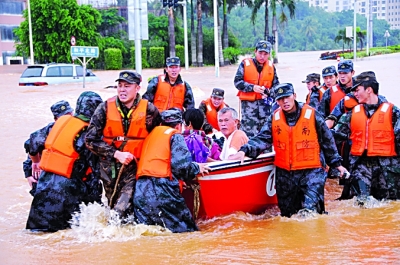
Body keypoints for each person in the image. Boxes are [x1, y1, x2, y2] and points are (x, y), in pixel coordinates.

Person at [229, 83, 348, 217]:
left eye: (287, 97)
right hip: (286, 175)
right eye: (280, 99)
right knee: (288, 217)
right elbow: (263, 138)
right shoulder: (274, 118)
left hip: (311, 172)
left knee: (311, 214)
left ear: (294, 96)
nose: (284, 101)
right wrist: (244, 150)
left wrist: (337, 164)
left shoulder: (312, 114)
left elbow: (327, 140)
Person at [85, 70, 161, 218]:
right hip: (109, 170)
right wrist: (116, 154)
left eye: (127, 86)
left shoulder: (150, 110)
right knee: (115, 208)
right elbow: (90, 140)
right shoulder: (104, 108)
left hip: (135, 168)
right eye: (120, 85)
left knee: (121, 209)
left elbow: (158, 138)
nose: (122, 90)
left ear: (137, 88)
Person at [26, 92, 103, 232]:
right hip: (68, 188)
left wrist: (35, 161)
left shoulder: (60, 122)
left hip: (44, 183)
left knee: (38, 232)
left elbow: (32, 140)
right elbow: (95, 171)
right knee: (69, 233)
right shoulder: (90, 132)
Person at [134, 109, 211, 233]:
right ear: (178, 125)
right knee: (188, 233)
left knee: (148, 232)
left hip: (140, 191)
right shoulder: (175, 135)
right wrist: (197, 167)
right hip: (163, 191)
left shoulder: (149, 135)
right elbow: (182, 167)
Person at [332, 71, 400, 202]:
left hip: (387, 171)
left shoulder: (393, 112)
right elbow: (334, 136)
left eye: (357, 90)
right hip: (361, 167)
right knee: (362, 204)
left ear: (369, 90)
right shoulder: (352, 114)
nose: (354, 94)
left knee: (389, 207)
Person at [25, 100, 74, 196]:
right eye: (63, 117)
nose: (67, 119)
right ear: (56, 119)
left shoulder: (78, 129)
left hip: (69, 180)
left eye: (69, 115)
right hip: (49, 180)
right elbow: (30, 147)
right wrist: (29, 175)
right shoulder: (47, 131)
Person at [234, 40, 280, 137]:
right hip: (249, 110)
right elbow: (237, 82)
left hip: (265, 109)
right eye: (260, 53)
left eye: (265, 54)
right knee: (249, 137)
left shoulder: (271, 67)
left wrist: (268, 92)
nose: (262, 56)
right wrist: (252, 87)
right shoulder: (245, 64)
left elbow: (277, 87)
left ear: (269, 54)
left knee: (266, 135)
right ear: (255, 51)